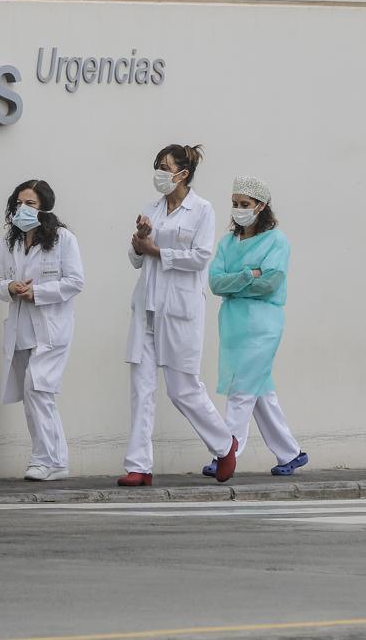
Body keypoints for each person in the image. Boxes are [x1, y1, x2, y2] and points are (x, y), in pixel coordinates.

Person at [121, 144, 238, 486]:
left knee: (182, 388)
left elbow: (201, 257)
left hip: (180, 308)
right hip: (147, 306)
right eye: (157, 165)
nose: (159, 171)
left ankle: (223, 443)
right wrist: (141, 239)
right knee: (141, 387)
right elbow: (136, 259)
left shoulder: (202, 210)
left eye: (165, 166)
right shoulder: (151, 208)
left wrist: (156, 250)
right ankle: (139, 465)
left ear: (183, 174)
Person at [203, 176, 307, 477]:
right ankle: (291, 453)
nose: (238, 209)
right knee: (260, 392)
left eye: (245, 204)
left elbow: (271, 283)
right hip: (235, 326)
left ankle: (225, 453)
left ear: (261, 206)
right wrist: (250, 275)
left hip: (264, 325)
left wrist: (235, 282)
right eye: (235, 204)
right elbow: (215, 282)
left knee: (242, 390)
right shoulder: (226, 243)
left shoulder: (277, 241)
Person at [0, 180, 84, 481]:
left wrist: (39, 292)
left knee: (37, 388)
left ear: (44, 207)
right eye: (19, 203)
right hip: (22, 329)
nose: (23, 209)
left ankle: (46, 460)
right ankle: (54, 461)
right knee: (34, 395)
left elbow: (75, 282)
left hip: (51, 330)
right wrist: (10, 287)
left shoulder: (63, 240)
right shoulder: (10, 242)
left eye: (30, 204)